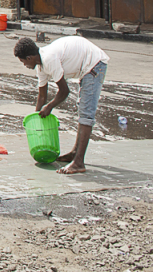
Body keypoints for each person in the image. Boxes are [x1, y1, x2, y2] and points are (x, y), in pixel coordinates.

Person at [14, 36, 110, 174]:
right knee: (83, 110)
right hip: (86, 66)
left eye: (23, 61)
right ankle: (75, 153)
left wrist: (50, 106)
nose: (24, 65)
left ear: (29, 58)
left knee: (86, 113)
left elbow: (64, 91)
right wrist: (35, 120)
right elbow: (42, 96)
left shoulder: (49, 59)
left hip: (95, 64)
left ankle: (78, 163)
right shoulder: (40, 66)